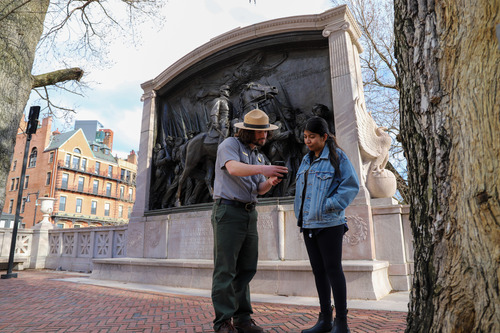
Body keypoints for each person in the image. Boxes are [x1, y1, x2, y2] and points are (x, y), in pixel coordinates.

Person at [211, 109, 288, 333]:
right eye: (260, 131)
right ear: (248, 131)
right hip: (228, 211)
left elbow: (258, 189)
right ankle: (222, 322)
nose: (264, 135)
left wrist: (271, 181)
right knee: (226, 269)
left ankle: (242, 319)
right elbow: (233, 168)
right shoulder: (229, 145)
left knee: (246, 268)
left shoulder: (257, 155)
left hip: (249, 212)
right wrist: (264, 169)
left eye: (266, 131)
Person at [294, 117, 359, 333]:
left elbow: (351, 186)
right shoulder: (306, 160)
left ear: (324, 137)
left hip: (330, 223)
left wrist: (329, 205)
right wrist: (301, 214)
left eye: (312, 137)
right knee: (319, 272)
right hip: (309, 224)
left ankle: (341, 323)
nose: (308, 141)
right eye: (305, 137)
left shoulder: (337, 157)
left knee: (333, 270)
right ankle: (325, 320)